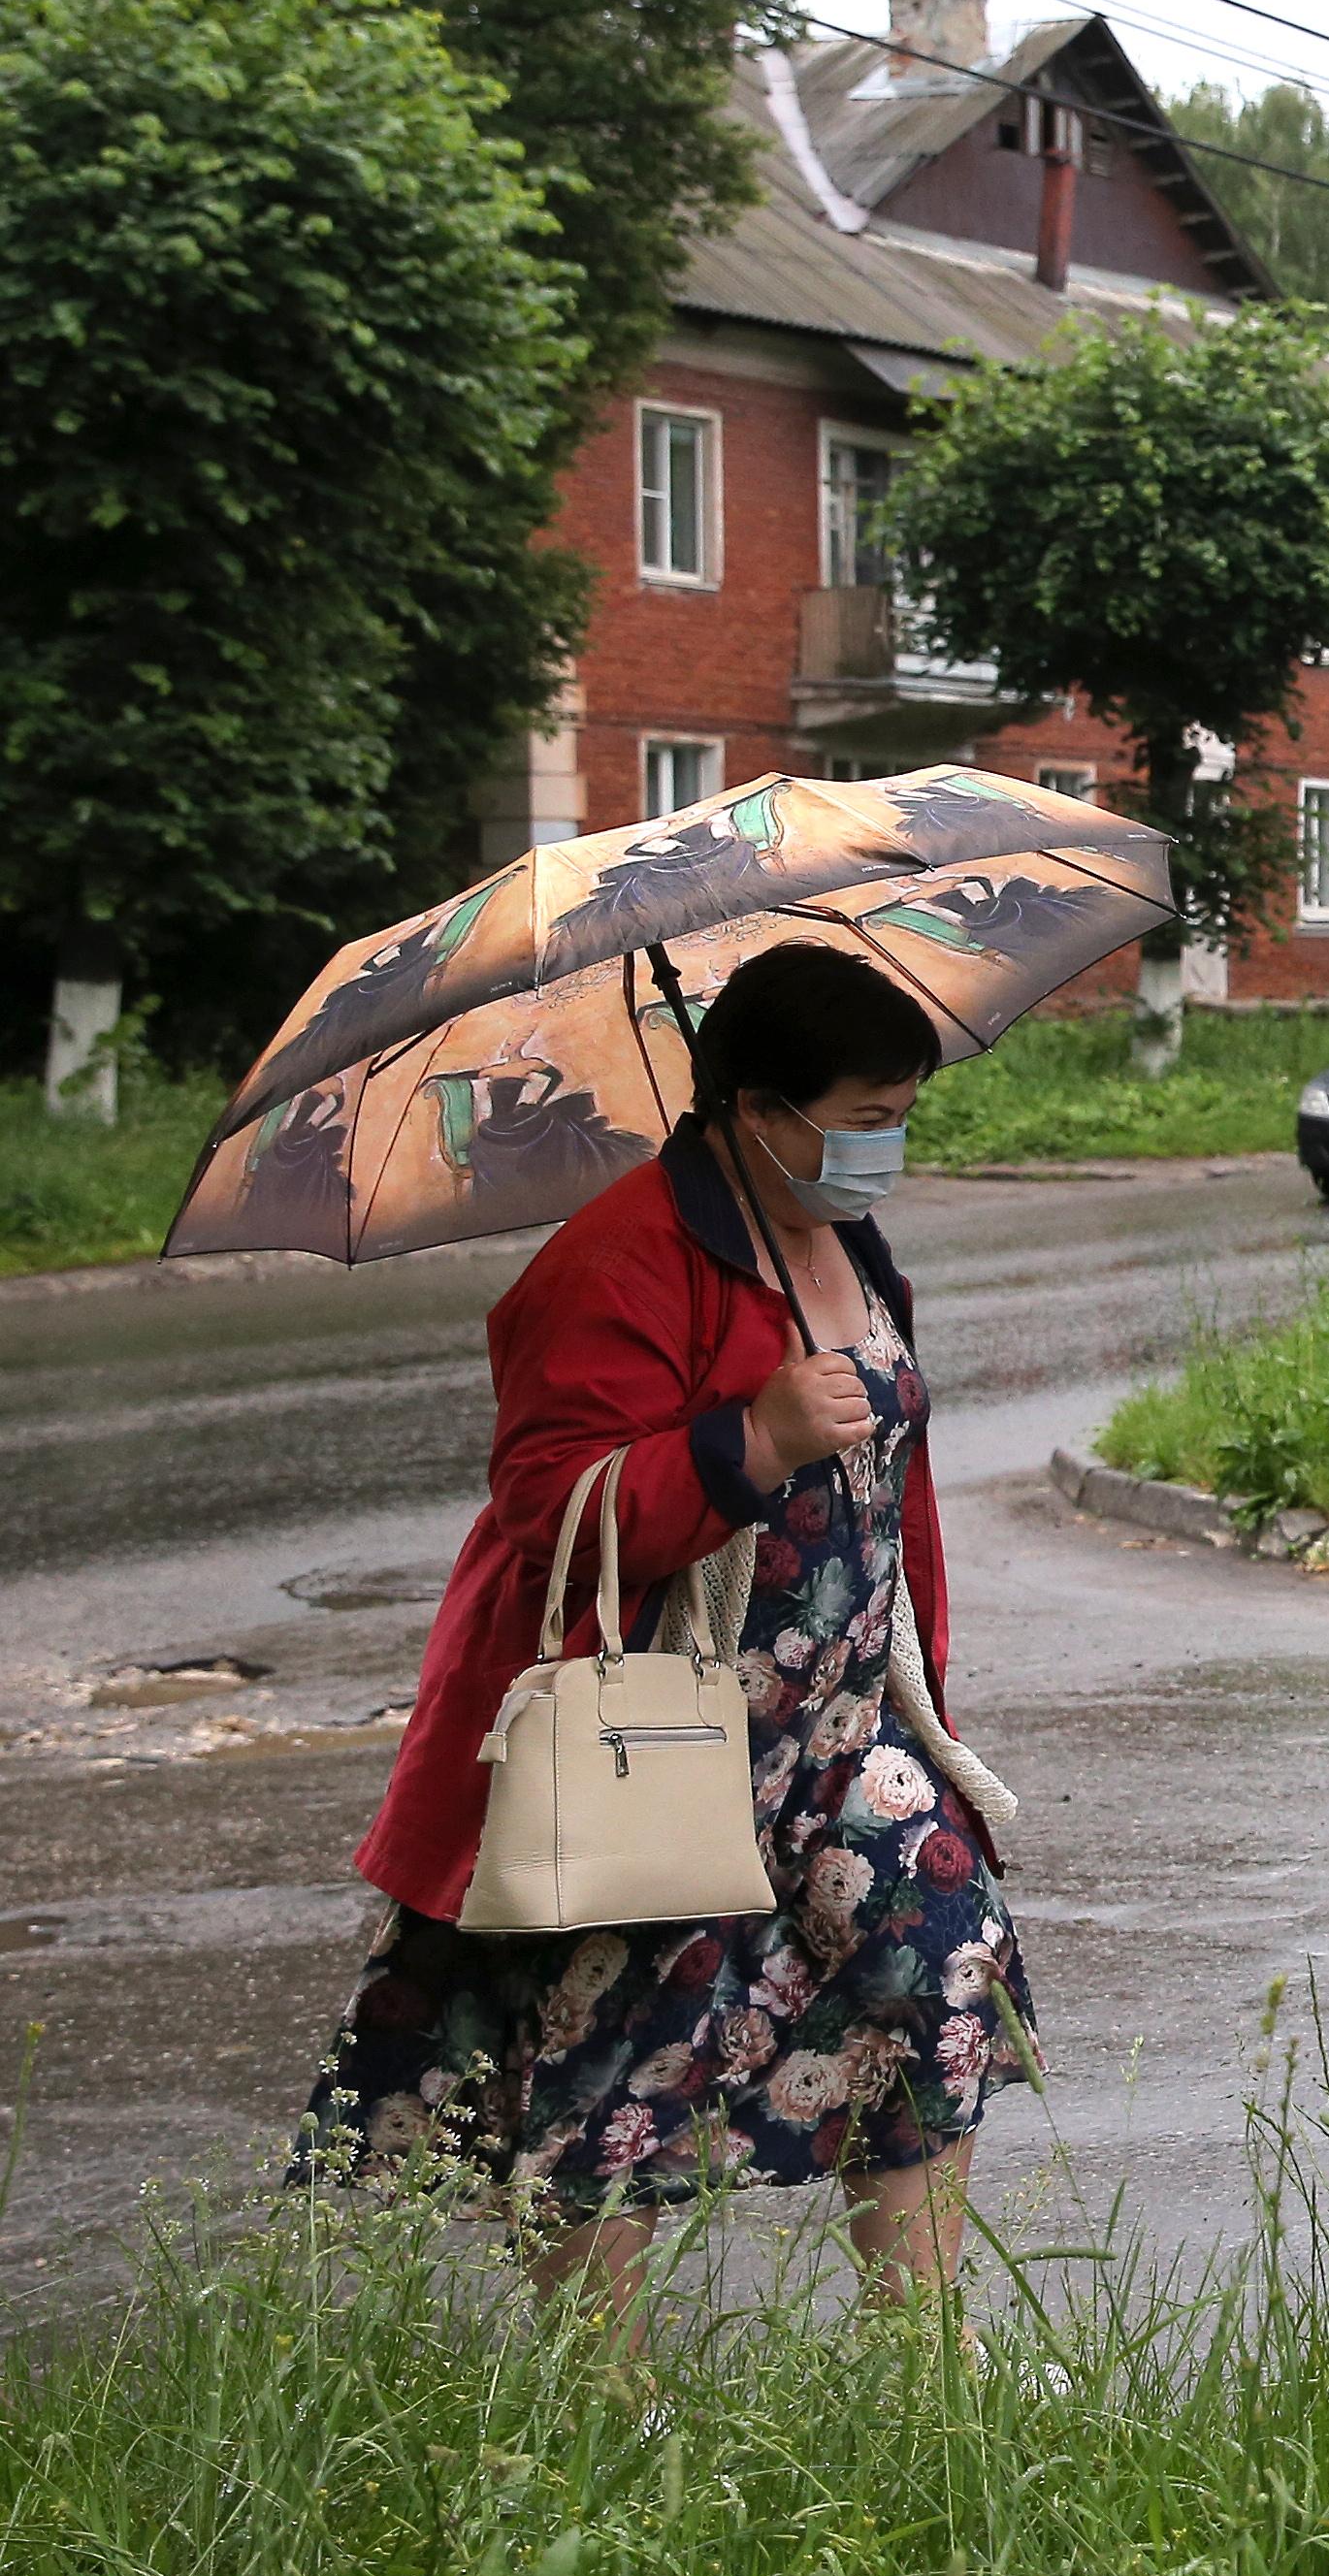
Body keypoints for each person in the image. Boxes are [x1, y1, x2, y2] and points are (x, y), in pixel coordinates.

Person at [299, 942, 1034, 2322]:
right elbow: (543, 1504)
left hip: (839, 1729)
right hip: (665, 1734)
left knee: (947, 1970)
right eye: (866, 1117)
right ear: (759, 1112)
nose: (891, 1146)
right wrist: (745, 1439)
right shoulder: (621, 1255)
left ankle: (927, 2371)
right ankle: (604, 2412)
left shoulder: (838, 1235)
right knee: (611, 2062)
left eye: (902, 1113)